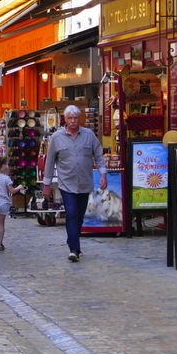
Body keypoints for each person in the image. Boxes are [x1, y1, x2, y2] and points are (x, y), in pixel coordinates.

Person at [43, 104, 108, 263]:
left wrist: (103, 174)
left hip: (84, 183)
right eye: (70, 118)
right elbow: (50, 162)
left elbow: (98, 156)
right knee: (71, 213)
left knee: (79, 216)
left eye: (75, 118)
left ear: (80, 119)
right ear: (65, 119)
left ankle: (73, 240)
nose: (72, 121)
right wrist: (47, 185)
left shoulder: (89, 135)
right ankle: (74, 249)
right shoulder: (57, 137)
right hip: (67, 183)